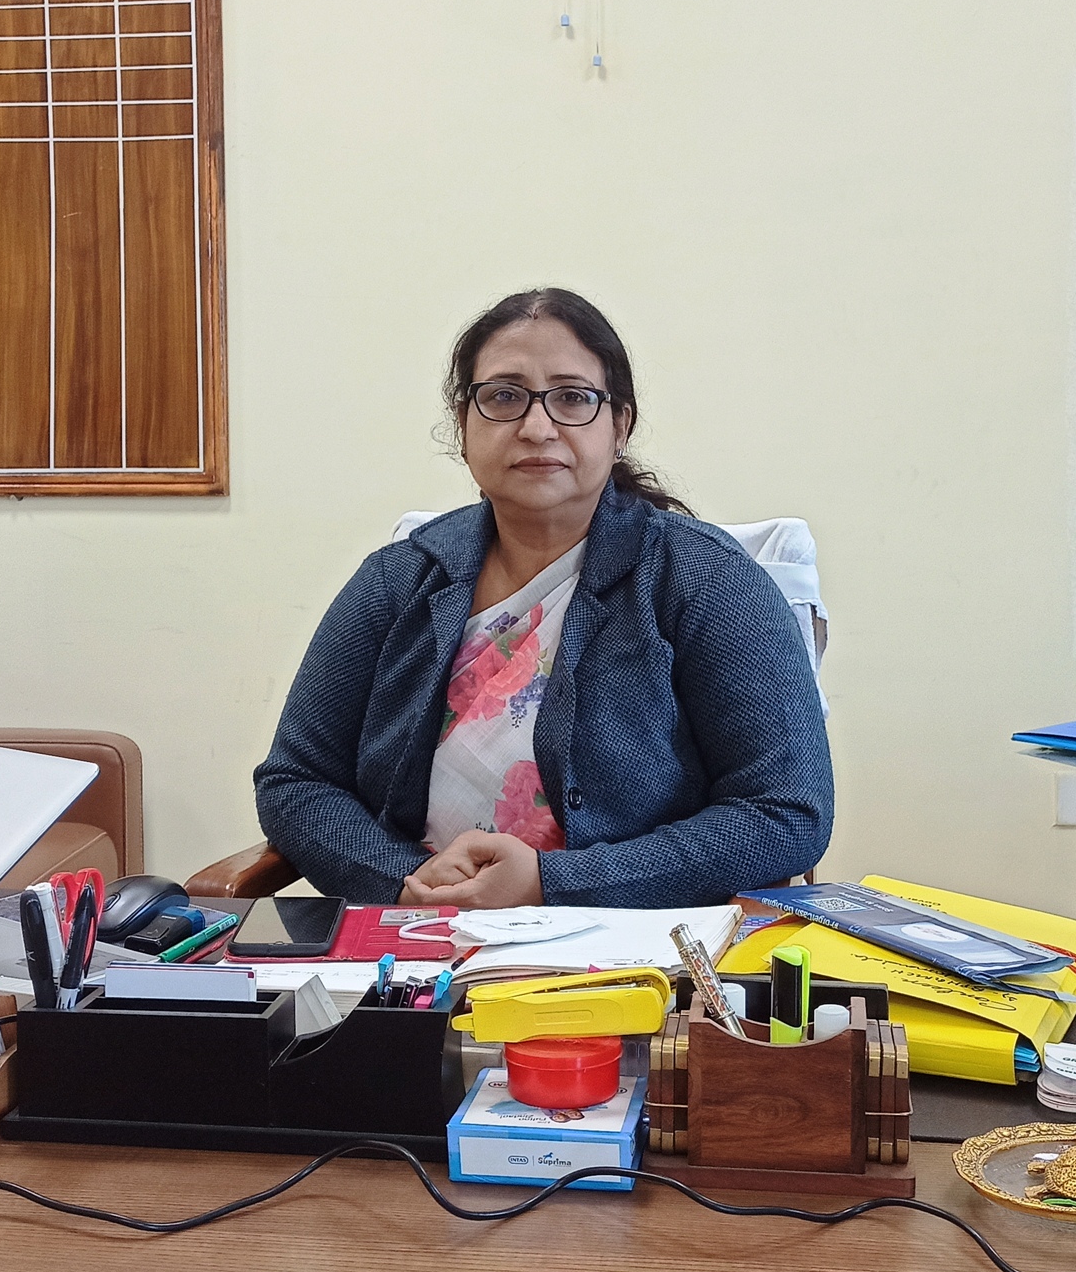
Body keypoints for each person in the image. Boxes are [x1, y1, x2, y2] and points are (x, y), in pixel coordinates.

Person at [253, 288, 833, 909]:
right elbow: (297, 779)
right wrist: (403, 880)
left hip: (627, 950)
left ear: (620, 426)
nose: (537, 427)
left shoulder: (704, 580)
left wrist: (550, 885)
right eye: (503, 396)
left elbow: (784, 811)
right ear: (462, 423)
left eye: (573, 398)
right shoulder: (399, 581)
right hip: (411, 939)